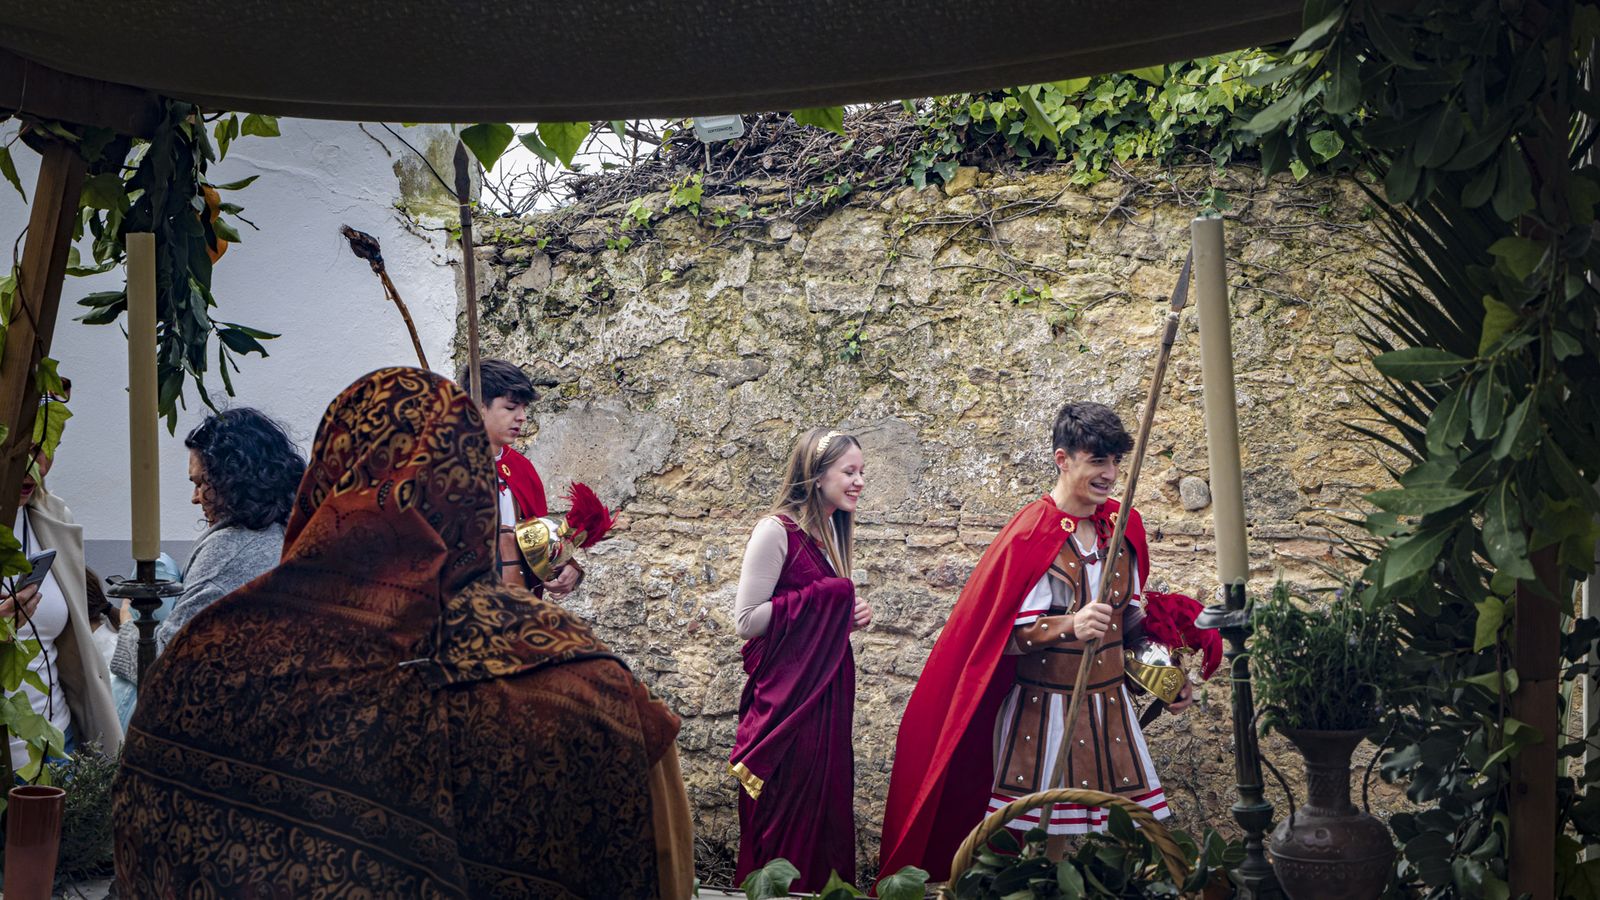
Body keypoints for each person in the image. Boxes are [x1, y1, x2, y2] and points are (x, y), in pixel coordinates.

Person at [114, 367, 693, 898]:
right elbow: (667, 866)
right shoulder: (590, 684)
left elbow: (156, 828)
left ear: (330, 480)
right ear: (470, 494)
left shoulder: (223, 656)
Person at [878, 402, 1192, 880]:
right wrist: (1070, 625)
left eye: (1114, 462)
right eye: (1096, 461)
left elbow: (1131, 625)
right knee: (1049, 834)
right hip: (1044, 711)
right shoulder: (1031, 533)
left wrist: (1167, 676)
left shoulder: (1123, 527)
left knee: (1131, 830)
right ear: (1062, 459)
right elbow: (1004, 637)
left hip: (1108, 704)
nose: (1109, 474)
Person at [729, 427, 873, 891]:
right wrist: (830, 600)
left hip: (825, 698)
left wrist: (844, 616)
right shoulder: (776, 530)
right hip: (787, 703)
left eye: (861, 473)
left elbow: (815, 615)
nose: (858, 482)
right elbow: (748, 620)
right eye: (849, 471)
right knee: (784, 802)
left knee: (824, 804)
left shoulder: (831, 529)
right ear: (815, 475)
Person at [4, 437, 121, 776]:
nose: (37, 466)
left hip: (57, 749)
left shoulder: (51, 515)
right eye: (23, 449)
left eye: (44, 448)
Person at [459, 358, 580, 595]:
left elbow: (537, 542)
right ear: (479, 407)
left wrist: (568, 567)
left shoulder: (521, 469)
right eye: (510, 407)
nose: (522, 417)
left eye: (523, 408)